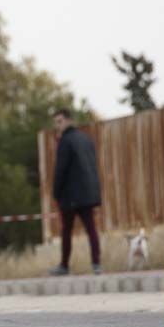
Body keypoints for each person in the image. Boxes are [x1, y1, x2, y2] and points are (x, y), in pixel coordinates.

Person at [50, 107, 102, 275]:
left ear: (68, 120)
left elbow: (61, 169)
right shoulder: (86, 139)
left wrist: (56, 193)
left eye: (60, 121)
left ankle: (64, 265)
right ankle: (96, 264)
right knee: (91, 228)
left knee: (66, 230)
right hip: (88, 193)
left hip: (71, 195)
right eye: (56, 123)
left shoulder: (65, 141)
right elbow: (93, 166)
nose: (58, 126)